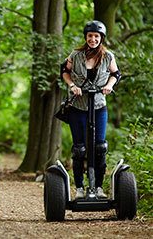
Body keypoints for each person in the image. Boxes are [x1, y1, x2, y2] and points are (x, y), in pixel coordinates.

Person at [61, 20, 122, 199]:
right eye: (90, 36)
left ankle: (98, 186)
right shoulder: (76, 55)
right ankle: (80, 187)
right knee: (79, 148)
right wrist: (72, 85)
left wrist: (109, 85)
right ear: (86, 37)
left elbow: (115, 74)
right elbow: (64, 70)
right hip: (78, 106)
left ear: (101, 38)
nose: (93, 39)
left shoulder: (108, 56)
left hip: (98, 106)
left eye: (96, 36)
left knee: (99, 147)